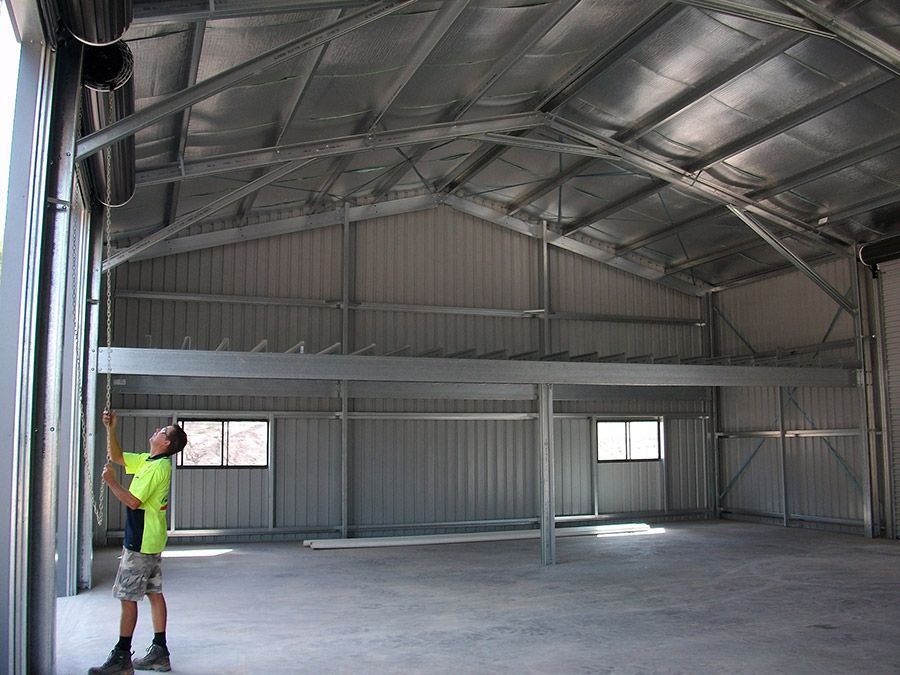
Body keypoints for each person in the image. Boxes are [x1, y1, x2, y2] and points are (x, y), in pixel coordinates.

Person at [89, 410, 188, 675]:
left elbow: (133, 502)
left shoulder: (158, 468)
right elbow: (117, 457)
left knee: (127, 597)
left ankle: (122, 658)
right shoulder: (148, 460)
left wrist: (111, 482)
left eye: (162, 431)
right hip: (150, 539)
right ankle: (160, 652)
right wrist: (111, 428)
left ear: (166, 443)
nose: (157, 430)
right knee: (154, 593)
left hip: (141, 541)